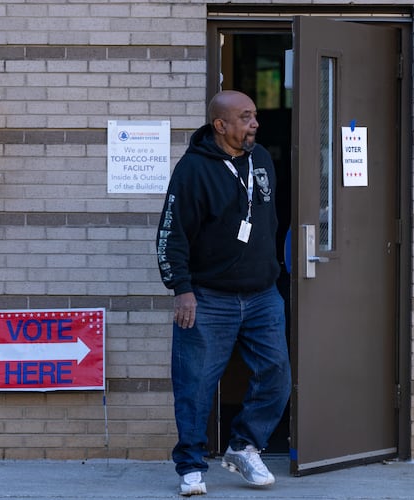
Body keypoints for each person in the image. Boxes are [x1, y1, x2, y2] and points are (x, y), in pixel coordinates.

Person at [156, 90, 292, 497]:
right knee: (195, 385)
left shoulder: (262, 160)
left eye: (254, 116)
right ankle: (192, 465)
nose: (255, 123)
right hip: (208, 297)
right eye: (246, 117)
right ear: (221, 125)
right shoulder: (192, 169)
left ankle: (244, 446)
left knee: (276, 375)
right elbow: (171, 235)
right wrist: (182, 289)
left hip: (263, 295)